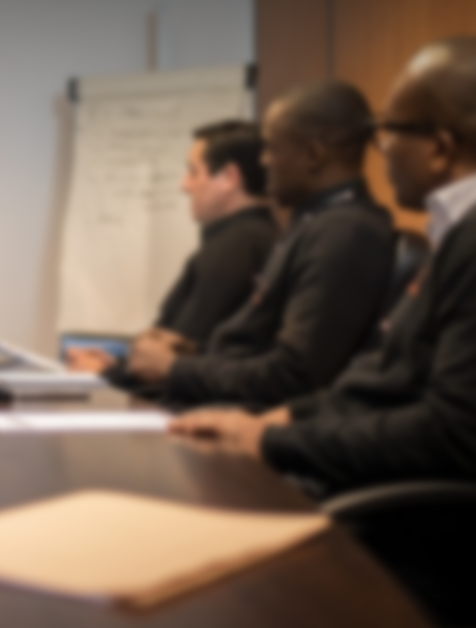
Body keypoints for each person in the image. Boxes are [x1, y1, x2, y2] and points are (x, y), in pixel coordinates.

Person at [171, 37, 476, 495]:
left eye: (389, 132)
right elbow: (385, 384)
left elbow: (460, 436)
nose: (381, 149)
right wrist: (283, 420)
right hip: (357, 474)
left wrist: (273, 442)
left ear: (439, 148)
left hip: (398, 514)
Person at [118, 81, 395, 408]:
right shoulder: (315, 226)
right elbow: (257, 349)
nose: (263, 161)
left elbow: (292, 376)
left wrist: (175, 368)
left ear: (313, 154)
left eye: (272, 149)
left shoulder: (344, 234)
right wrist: (193, 353)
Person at [65, 120, 280, 382]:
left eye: (193, 172)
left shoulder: (233, 248)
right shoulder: (263, 238)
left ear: (229, 178)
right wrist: (118, 366)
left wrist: (106, 373)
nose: (184, 185)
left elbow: (176, 359)